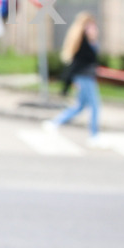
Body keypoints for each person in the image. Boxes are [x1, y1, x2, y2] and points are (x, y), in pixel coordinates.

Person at [44, 11, 104, 146]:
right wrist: (73, 81)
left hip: (86, 77)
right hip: (84, 78)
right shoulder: (83, 43)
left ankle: (55, 123)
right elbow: (79, 63)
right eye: (92, 27)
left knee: (80, 106)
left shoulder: (87, 41)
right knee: (94, 106)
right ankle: (94, 135)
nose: (95, 29)